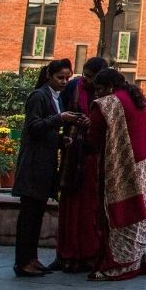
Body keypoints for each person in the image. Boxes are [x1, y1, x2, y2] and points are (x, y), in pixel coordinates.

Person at [11, 58, 85, 278]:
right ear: (49, 76)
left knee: (36, 216)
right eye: (60, 78)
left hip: (46, 164)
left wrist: (62, 141)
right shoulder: (39, 96)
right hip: (33, 164)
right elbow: (33, 127)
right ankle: (23, 262)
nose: (64, 82)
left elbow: (48, 131)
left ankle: (31, 258)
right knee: (28, 217)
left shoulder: (56, 98)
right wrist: (59, 119)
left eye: (67, 78)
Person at [86, 68, 146, 281]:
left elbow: (93, 140)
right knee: (143, 213)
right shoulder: (135, 96)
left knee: (121, 214)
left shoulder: (107, 104)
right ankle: (141, 259)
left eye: (98, 89)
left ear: (108, 87)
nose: (96, 94)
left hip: (123, 165)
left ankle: (120, 265)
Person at [51, 56, 109, 273]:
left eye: (91, 77)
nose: (86, 80)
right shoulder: (74, 86)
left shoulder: (104, 92)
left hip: (92, 156)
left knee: (89, 208)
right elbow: (57, 112)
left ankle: (88, 254)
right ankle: (65, 254)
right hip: (71, 153)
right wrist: (69, 121)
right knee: (69, 204)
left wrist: (91, 124)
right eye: (85, 75)